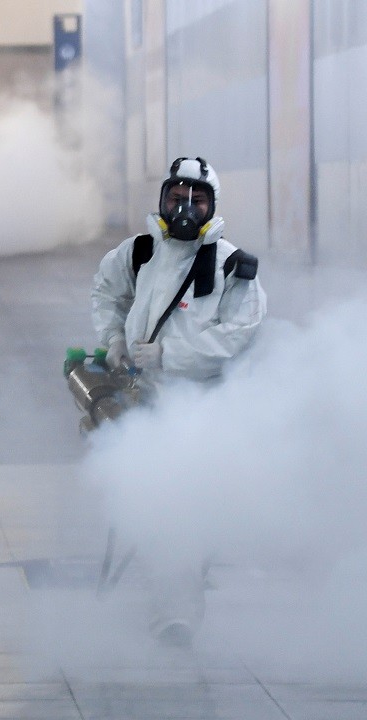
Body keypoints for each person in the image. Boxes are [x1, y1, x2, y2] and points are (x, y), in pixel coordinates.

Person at [91, 156, 266, 647]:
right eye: (176, 197)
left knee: (183, 505)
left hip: (200, 410)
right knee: (151, 502)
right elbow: (106, 293)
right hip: (141, 401)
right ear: (162, 199)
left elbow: (240, 335)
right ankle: (168, 604)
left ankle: (176, 611)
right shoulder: (139, 253)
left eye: (198, 199)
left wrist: (170, 356)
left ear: (212, 206)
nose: (185, 208)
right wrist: (113, 342)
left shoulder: (232, 266)